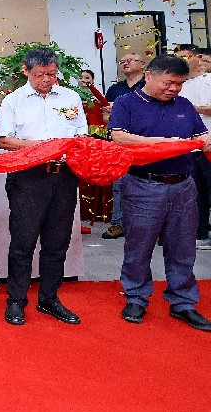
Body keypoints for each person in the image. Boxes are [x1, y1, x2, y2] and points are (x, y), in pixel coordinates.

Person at [109, 54, 211, 331]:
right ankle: (136, 297)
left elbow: (200, 136)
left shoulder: (184, 105)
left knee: (183, 247)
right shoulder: (127, 102)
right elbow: (119, 137)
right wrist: (163, 143)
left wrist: (205, 141)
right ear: (150, 76)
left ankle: (183, 302)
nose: (174, 89)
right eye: (168, 82)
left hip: (183, 185)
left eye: (179, 84)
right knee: (139, 245)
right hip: (143, 184)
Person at [0, 46, 87, 326]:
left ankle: (49, 298)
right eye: (39, 75)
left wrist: (68, 147)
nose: (46, 80)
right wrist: (44, 147)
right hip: (29, 177)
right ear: (26, 70)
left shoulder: (70, 97)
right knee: (23, 242)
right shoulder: (14, 100)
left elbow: (81, 135)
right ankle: (16, 300)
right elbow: (4, 140)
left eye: (51, 74)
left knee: (57, 242)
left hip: (64, 177)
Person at [101, 52, 147, 240]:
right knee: (119, 184)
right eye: (122, 61)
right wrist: (110, 114)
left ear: (143, 64)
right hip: (119, 142)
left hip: (145, 140)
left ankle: (148, 225)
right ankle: (118, 223)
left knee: (148, 184)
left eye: (130, 60)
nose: (126, 63)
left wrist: (122, 109)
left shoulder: (149, 85)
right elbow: (105, 117)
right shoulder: (114, 89)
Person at [179, 53, 211, 250]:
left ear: (197, 57)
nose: (182, 60)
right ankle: (201, 234)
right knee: (196, 194)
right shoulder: (180, 84)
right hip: (189, 148)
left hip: (208, 145)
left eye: (186, 56)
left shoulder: (208, 81)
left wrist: (190, 108)